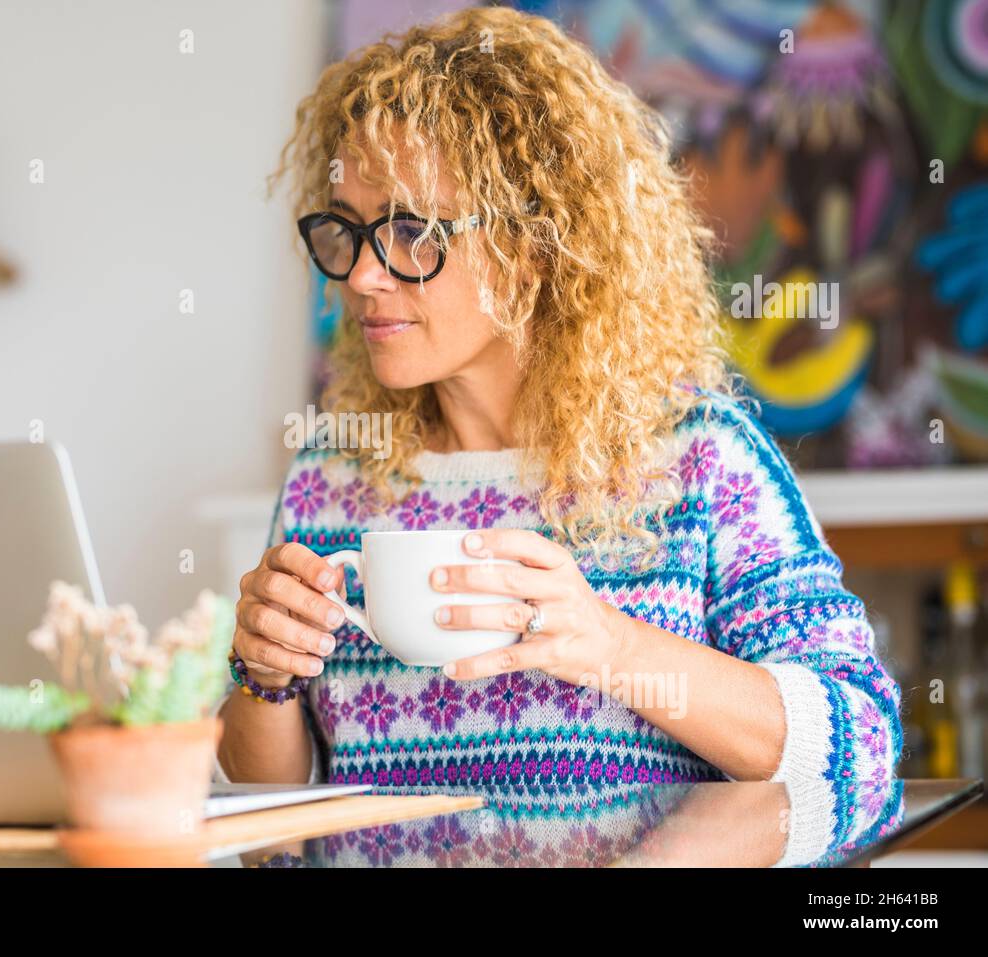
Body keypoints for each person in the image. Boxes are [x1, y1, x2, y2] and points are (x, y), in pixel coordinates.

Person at [214, 7, 901, 853]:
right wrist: (264, 677)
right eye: (349, 229)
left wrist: (610, 643)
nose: (360, 273)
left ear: (538, 242)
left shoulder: (699, 460)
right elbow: (268, 829)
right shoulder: (330, 476)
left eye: (410, 230)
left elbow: (863, 743)